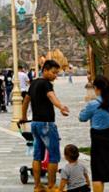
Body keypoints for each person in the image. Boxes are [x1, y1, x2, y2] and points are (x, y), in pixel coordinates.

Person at [20, 59, 69, 192]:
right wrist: (61, 107)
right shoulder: (46, 84)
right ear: (45, 70)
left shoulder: (34, 83)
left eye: (57, 73)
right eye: (53, 72)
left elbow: (26, 101)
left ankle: (37, 186)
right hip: (46, 124)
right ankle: (52, 186)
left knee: (37, 156)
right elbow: (52, 97)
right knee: (53, 155)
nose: (55, 76)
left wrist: (24, 116)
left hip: (35, 124)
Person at [79, 75, 109, 192]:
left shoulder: (93, 104)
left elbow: (82, 118)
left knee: (98, 174)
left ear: (96, 88)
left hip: (99, 139)